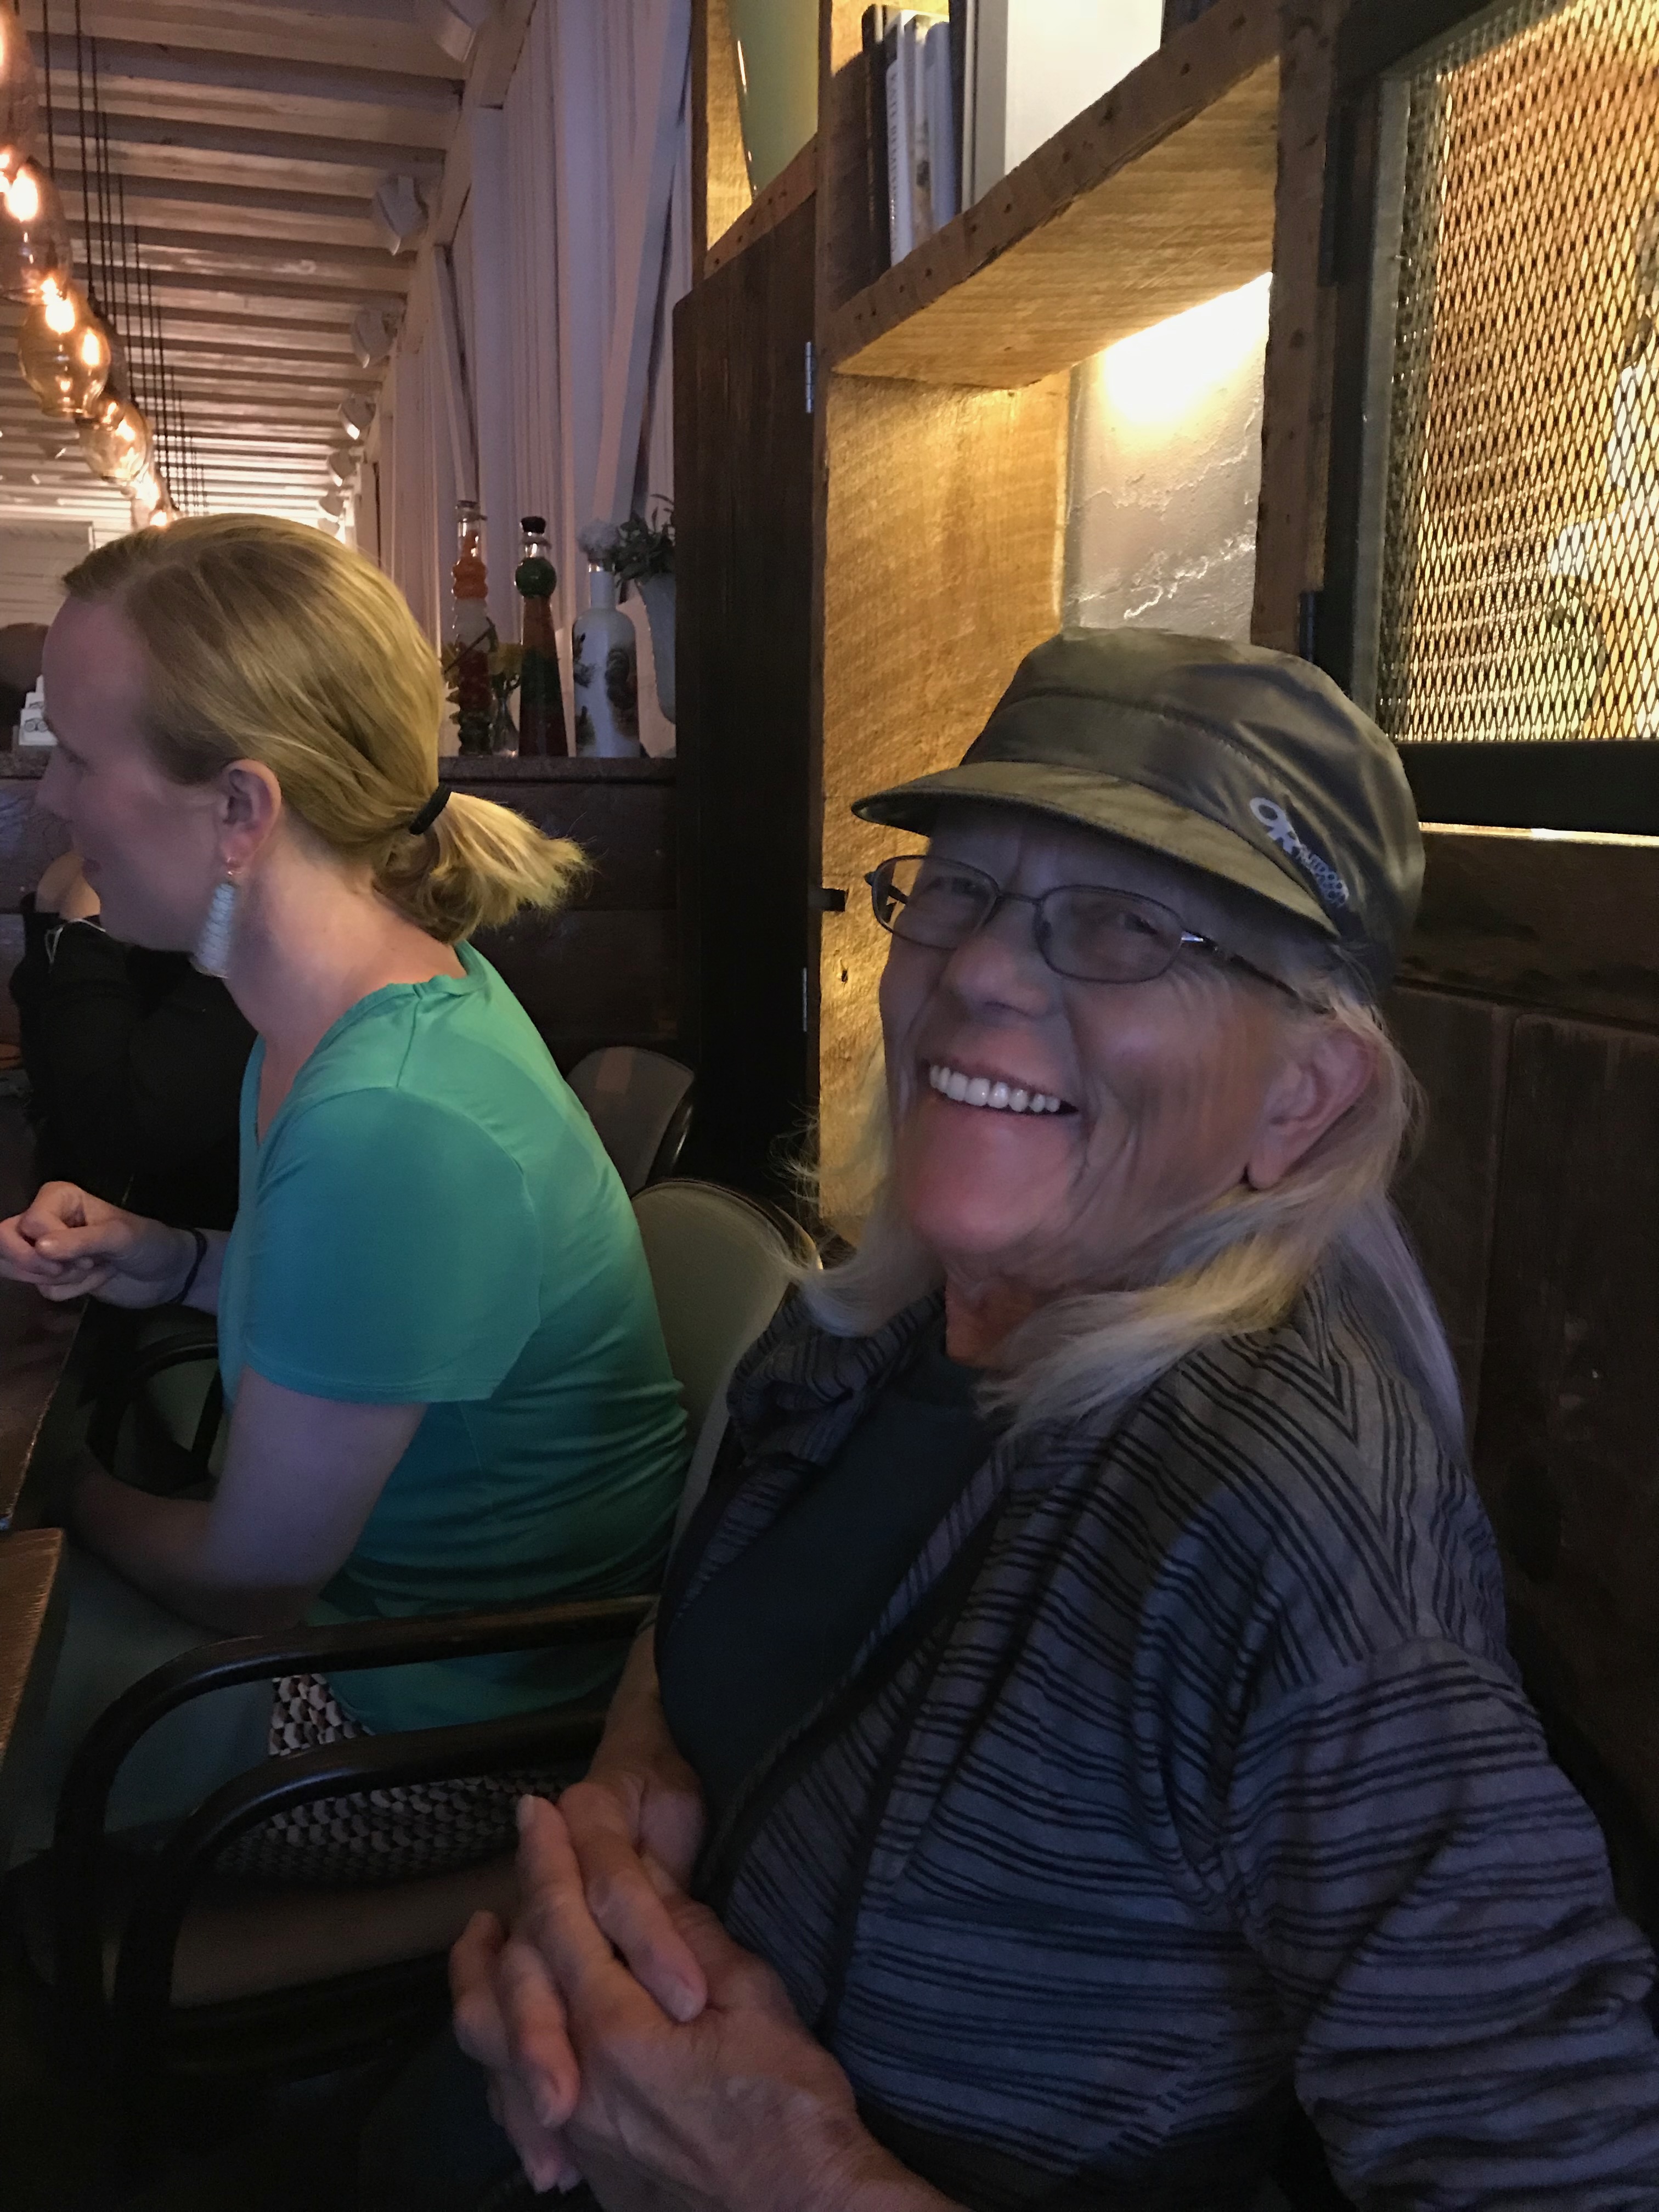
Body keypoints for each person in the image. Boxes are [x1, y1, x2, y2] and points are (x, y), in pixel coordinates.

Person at [441, 631, 1659, 2209]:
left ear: (1304, 1100)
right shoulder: (866, 1324)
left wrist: (789, 2182)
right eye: (960, 888)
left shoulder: (1290, 1527)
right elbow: (706, 1634)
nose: (980, 972)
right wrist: (627, 1817)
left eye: (1126, 924)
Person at [0, 516, 687, 1880]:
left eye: (77, 754)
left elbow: (252, 1581)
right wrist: (169, 1258)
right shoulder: (348, 1001)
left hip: (440, 1721)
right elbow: (356, 1318)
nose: (52, 800)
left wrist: (48, 1489)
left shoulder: (390, 1114)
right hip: (378, 1640)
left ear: (241, 813)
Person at [12, 845, 253, 1228]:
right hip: (93, 1237)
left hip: (213, 1250)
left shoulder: (248, 905)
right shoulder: (134, 883)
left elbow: (122, 1132)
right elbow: (59, 1093)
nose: (53, 802)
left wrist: (85, 931)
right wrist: (59, 925)